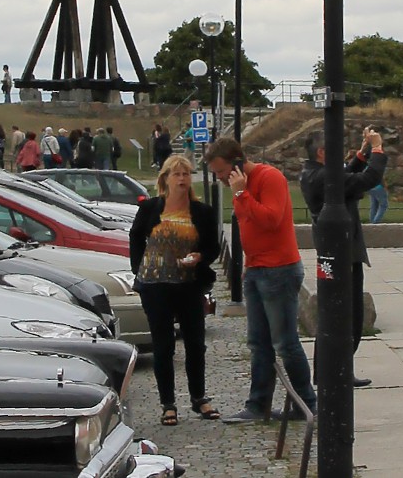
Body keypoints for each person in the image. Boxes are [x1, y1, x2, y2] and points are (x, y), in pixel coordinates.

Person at [205, 137, 316, 423]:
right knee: (258, 343)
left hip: (279, 270)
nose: (217, 178)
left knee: (285, 342)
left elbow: (271, 220)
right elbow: (247, 227)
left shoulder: (270, 178)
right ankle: (258, 405)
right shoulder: (238, 186)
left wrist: (242, 194)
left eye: (220, 171)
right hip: (256, 270)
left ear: (237, 163)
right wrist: (249, 265)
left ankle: (308, 403)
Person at [129, 155, 222, 426]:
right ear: (165, 179)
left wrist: (199, 257)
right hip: (155, 285)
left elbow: (212, 247)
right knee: (163, 345)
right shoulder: (150, 208)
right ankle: (168, 404)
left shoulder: (202, 211)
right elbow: (135, 236)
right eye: (176, 174)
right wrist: (139, 268)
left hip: (189, 284)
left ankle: (199, 397)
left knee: (195, 343)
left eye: (186, 174)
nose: (182, 179)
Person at [300, 127, 386, 389]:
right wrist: (378, 148)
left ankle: (333, 370)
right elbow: (366, 179)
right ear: (323, 152)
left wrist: (362, 152)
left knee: (334, 314)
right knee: (347, 316)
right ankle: (335, 371)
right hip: (342, 253)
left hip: (333, 252)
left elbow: (347, 174)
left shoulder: (313, 172)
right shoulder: (324, 177)